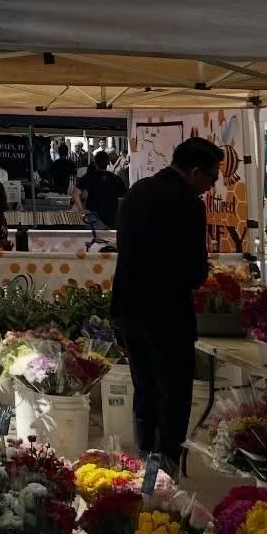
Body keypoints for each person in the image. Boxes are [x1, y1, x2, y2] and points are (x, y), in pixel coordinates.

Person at [110, 136, 221, 470]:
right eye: (211, 179)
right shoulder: (187, 203)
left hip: (130, 309)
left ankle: (144, 467)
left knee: (144, 391)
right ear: (196, 171)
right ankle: (167, 473)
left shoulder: (137, 192)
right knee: (173, 397)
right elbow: (193, 270)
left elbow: (124, 249)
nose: (210, 187)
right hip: (168, 314)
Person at [77, 150, 128, 234]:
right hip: (112, 217)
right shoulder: (115, 178)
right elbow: (124, 197)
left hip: (93, 218)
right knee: (109, 244)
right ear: (108, 163)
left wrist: (82, 211)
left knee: (93, 243)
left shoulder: (89, 177)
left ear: (95, 163)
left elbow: (75, 194)